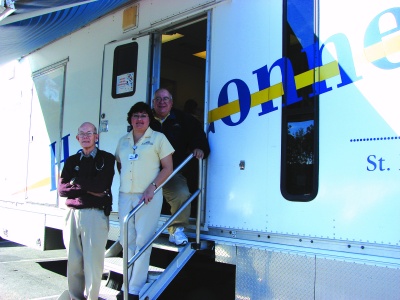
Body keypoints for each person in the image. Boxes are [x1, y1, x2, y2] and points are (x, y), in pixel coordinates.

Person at [115, 102, 174, 300]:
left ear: (150, 119)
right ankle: (126, 283)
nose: (139, 119)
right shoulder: (123, 141)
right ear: (130, 119)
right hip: (125, 196)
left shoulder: (159, 139)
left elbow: (167, 167)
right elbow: (120, 165)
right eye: (135, 116)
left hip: (147, 197)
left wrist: (152, 187)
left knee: (142, 242)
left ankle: (134, 289)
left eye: (144, 116)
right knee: (127, 241)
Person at [58, 122, 115, 300]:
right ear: (77, 137)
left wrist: (75, 182)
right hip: (72, 214)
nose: (85, 136)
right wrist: (88, 189)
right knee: (74, 263)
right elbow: (61, 189)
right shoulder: (72, 161)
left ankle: (92, 298)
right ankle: (75, 298)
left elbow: (102, 185)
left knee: (93, 264)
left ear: (96, 137)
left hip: (94, 215)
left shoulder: (106, 159)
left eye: (89, 133)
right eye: (81, 133)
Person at [150, 88, 210, 246]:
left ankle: (175, 229)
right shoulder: (145, 118)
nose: (162, 102)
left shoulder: (184, 119)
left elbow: (198, 135)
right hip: (146, 173)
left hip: (171, 171)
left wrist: (199, 148)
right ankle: (132, 229)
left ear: (171, 102)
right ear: (153, 102)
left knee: (182, 194)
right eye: (158, 99)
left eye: (165, 99)